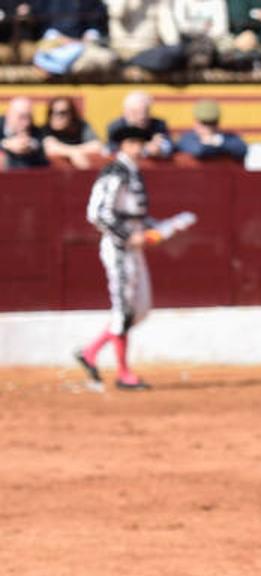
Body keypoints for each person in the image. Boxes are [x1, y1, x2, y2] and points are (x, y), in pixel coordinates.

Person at [76, 124, 159, 390]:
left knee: (140, 309)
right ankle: (124, 373)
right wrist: (127, 236)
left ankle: (90, 352)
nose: (139, 147)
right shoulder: (115, 171)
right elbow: (98, 213)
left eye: (140, 142)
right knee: (124, 310)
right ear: (122, 145)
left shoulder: (132, 172)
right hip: (120, 248)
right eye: (133, 142)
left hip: (133, 247)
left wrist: (153, 228)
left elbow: (135, 213)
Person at [106, 91, 175, 159]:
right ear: (125, 113)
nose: (142, 116)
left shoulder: (158, 125)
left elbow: (169, 145)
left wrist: (160, 148)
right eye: (136, 112)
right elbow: (111, 149)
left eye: (145, 112)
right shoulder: (116, 127)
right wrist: (144, 149)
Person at [41, 96, 104, 169]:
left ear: (72, 114)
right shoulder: (46, 129)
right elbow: (49, 147)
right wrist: (73, 153)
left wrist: (73, 152)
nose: (57, 116)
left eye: (62, 113)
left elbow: (97, 146)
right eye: (52, 112)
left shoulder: (82, 126)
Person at [176, 99, 248, 161]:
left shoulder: (225, 138)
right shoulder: (187, 138)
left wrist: (216, 141)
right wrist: (213, 144)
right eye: (204, 123)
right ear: (196, 122)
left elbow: (241, 148)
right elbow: (199, 151)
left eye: (211, 123)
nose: (208, 128)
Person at [2, 97, 49, 169]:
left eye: (29, 117)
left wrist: (29, 145)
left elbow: (41, 143)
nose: (27, 123)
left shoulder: (36, 131)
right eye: (22, 117)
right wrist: (6, 144)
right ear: (8, 114)